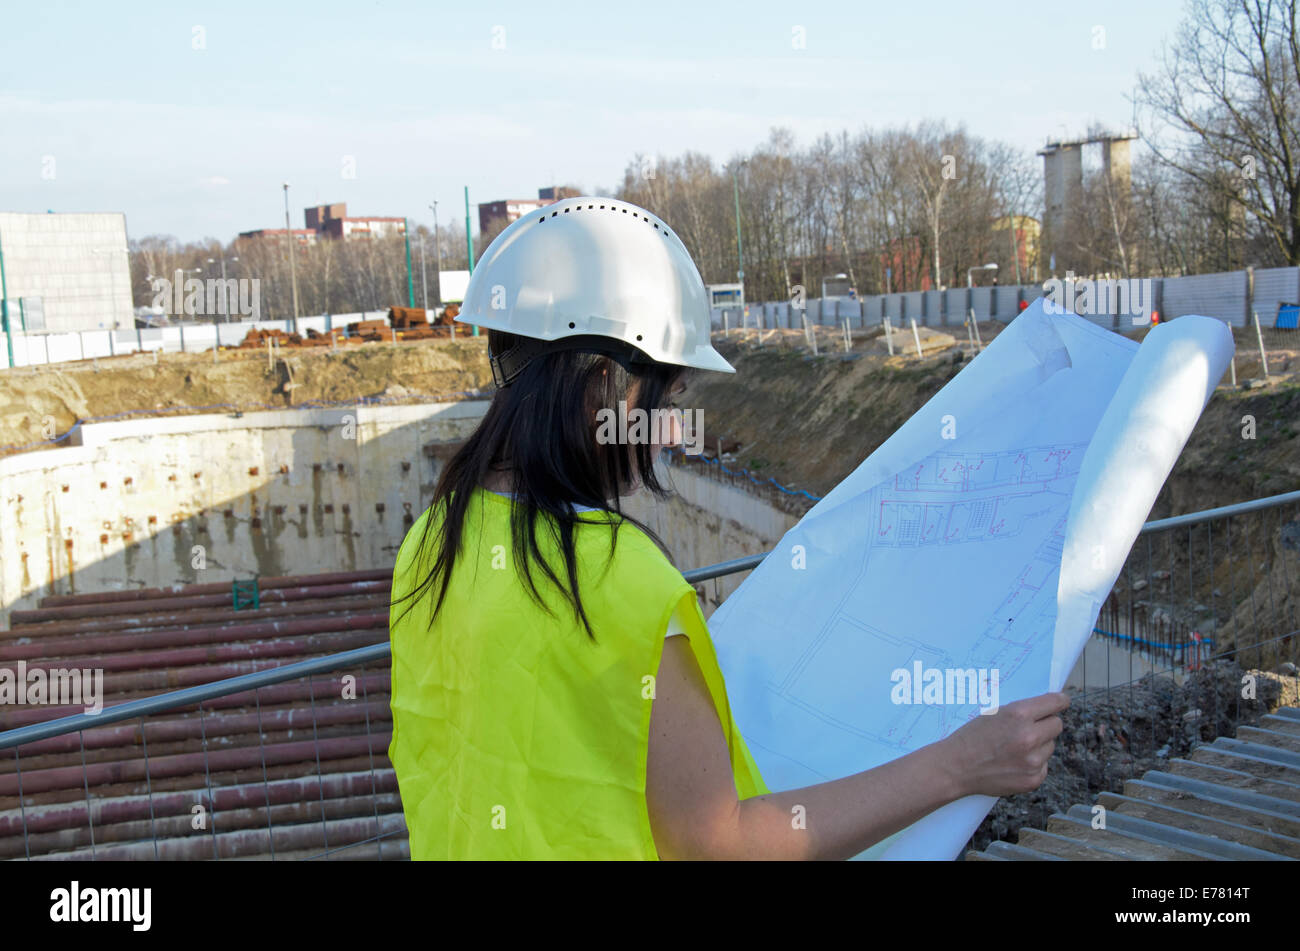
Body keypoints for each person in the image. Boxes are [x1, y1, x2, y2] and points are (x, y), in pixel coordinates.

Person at [387, 196, 1068, 860]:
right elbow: (719, 844)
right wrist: (958, 765)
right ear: (603, 383)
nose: (673, 430)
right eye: (668, 396)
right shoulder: (623, 583)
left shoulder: (432, 542)